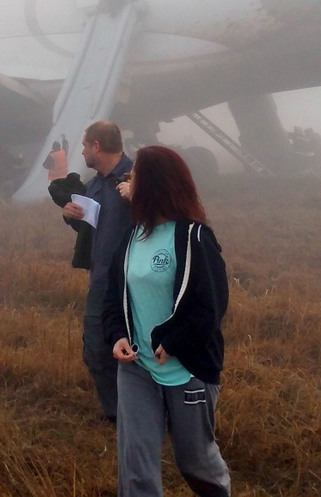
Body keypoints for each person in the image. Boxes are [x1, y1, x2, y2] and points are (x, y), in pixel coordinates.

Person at [102, 145, 230, 497]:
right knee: (136, 467)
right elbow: (114, 298)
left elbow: (211, 307)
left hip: (186, 368)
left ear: (154, 183)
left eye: (136, 175)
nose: (129, 181)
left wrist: (172, 342)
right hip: (136, 368)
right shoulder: (131, 238)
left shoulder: (194, 238)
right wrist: (116, 335)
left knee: (195, 463)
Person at [61, 121, 133, 422]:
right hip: (101, 282)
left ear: (96, 147)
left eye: (84, 145)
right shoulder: (94, 184)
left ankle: (145, 414)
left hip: (135, 284)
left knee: (139, 353)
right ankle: (119, 416)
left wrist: (140, 193)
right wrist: (71, 216)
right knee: (96, 352)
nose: (82, 151)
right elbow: (92, 228)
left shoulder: (138, 177)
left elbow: (169, 213)